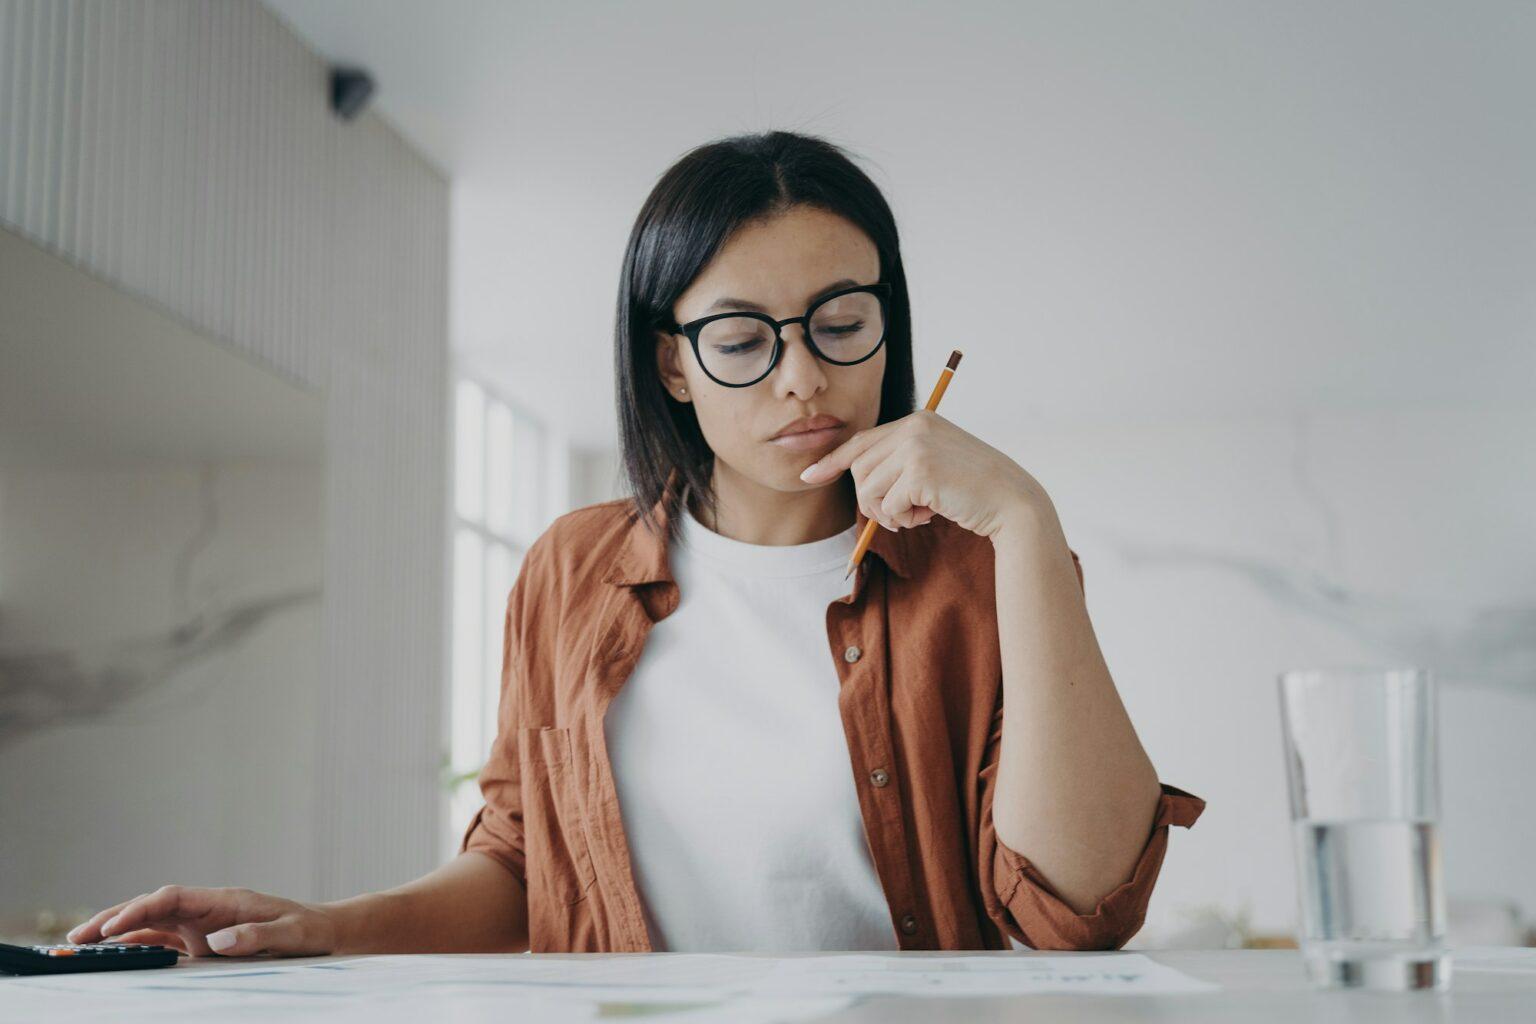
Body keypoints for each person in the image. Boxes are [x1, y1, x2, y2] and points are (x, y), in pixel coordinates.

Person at [68, 130, 1203, 957]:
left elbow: (1079, 902)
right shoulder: (570, 570)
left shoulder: (978, 569)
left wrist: (1027, 522)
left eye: (842, 323)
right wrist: (315, 925)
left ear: (886, 326)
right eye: (743, 338)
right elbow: (525, 867)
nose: (804, 375)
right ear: (673, 364)